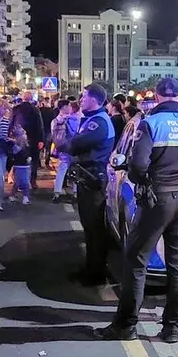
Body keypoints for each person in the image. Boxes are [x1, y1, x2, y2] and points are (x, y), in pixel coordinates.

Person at [94, 77, 178, 343]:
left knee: (136, 261)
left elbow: (137, 166)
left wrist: (143, 182)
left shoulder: (150, 124)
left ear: (158, 96)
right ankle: (172, 329)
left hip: (156, 200)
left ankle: (126, 326)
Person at [57, 84, 115, 286]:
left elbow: (74, 144)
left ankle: (97, 273)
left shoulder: (98, 122)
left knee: (94, 227)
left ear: (95, 99)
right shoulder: (91, 119)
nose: (81, 99)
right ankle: (92, 268)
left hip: (93, 179)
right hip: (87, 178)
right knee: (89, 227)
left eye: (84, 96)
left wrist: (67, 144)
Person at [11, 91, 44, 190]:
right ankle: (32, 181)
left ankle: (17, 182)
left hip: (19, 138)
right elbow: (39, 125)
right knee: (34, 161)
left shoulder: (16, 109)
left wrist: (10, 135)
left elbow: (11, 123)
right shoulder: (35, 110)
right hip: (33, 138)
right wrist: (41, 140)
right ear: (31, 99)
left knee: (18, 160)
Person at [50, 100, 80, 203]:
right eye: (68, 106)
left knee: (61, 169)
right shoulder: (74, 119)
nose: (70, 108)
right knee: (76, 170)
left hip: (62, 148)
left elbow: (53, 136)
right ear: (64, 107)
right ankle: (75, 194)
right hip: (74, 148)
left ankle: (57, 193)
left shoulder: (55, 121)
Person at [8, 120, 31, 205]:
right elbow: (15, 152)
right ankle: (15, 195)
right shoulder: (16, 145)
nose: (25, 136)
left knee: (25, 181)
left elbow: (28, 152)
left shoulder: (26, 144)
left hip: (26, 165)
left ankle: (25, 197)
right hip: (19, 165)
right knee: (19, 182)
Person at [39, 98, 56, 168]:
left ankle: (39, 163)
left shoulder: (40, 110)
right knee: (48, 148)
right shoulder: (52, 111)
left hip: (41, 131)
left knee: (40, 148)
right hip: (49, 130)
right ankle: (47, 162)